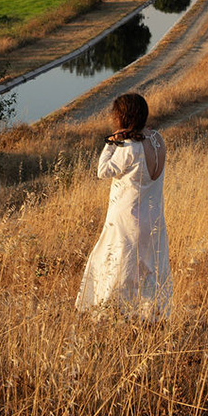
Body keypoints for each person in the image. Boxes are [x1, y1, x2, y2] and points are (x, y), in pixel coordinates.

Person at [76, 91, 172, 318]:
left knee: (114, 266)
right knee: (150, 269)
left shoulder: (129, 147)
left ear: (123, 118)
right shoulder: (157, 139)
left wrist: (111, 143)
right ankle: (151, 317)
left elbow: (103, 171)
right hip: (154, 217)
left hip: (126, 219)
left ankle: (104, 314)